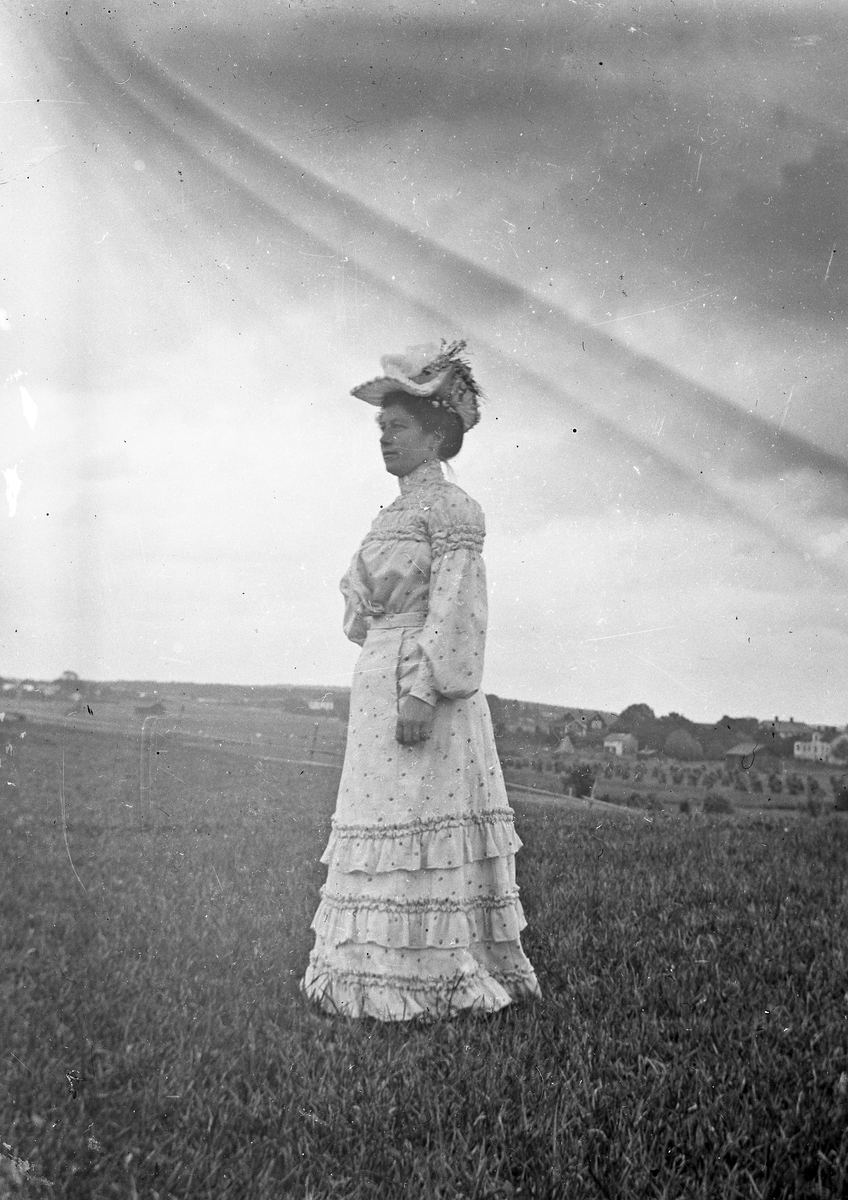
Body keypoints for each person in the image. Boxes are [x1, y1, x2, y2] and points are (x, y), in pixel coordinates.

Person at [301, 340, 540, 1021]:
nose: (385, 439)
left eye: (398, 427)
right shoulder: (390, 516)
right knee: (382, 823)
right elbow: (361, 611)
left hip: (423, 689)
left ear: (435, 435)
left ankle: (432, 978)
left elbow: (457, 606)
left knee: (418, 821)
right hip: (379, 677)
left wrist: (421, 689)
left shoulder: (455, 511)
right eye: (381, 428)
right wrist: (378, 638)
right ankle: (367, 972)